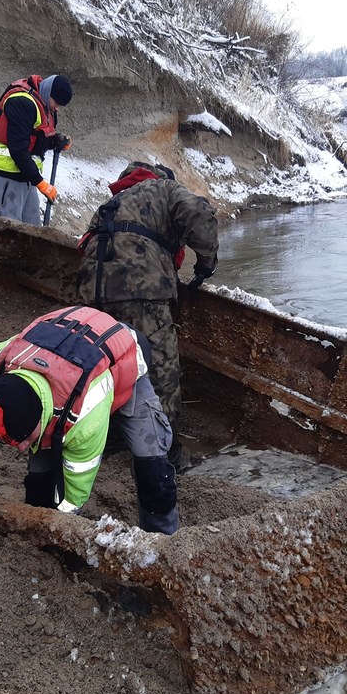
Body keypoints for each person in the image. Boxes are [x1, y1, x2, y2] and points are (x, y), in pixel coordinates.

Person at [0, 305, 180, 534]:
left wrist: (56, 522)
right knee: (39, 479)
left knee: (153, 468)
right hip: (65, 340)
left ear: (41, 416)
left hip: (122, 358)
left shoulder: (85, 417)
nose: (20, 448)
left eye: (24, 438)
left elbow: (75, 494)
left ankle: (162, 538)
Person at [75, 161, 218, 470]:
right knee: (161, 372)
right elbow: (197, 212)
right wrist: (207, 261)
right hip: (139, 291)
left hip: (92, 297)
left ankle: (111, 439)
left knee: (108, 368)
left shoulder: (109, 205)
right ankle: (167, 455)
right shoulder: (162, 188)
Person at [0, 73, 73, 225]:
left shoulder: (44, 104)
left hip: (25, 177)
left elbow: (37, 137)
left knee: (34, 233)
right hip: (7, 177)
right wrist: (40, 182)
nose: (57, 109)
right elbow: (18, 149)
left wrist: (56, 141)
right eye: (57, 103)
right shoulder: (22, 102)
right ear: (48, 93)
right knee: (12, 233)